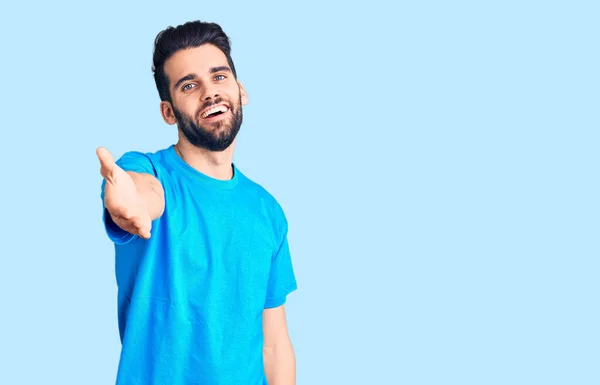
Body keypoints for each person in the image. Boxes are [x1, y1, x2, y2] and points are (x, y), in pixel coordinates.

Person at [96, 20, 297, 385]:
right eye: (189, 85)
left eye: (219, 77)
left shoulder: (268, 210)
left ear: (240, 91)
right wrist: (130, 202)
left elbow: (274, 343)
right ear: (169, 112)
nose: (209, 92)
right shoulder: (146, 170)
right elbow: (142, 194)